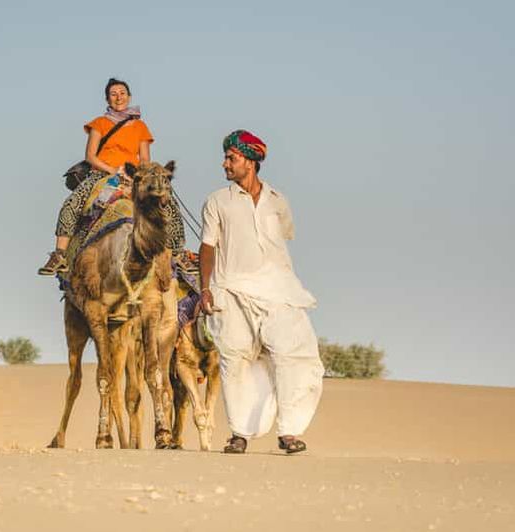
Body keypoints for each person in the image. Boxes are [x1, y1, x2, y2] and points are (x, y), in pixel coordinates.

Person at [198, 130, 324, 454]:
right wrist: (205, 288)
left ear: (250, 162)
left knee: (295, 356)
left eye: (232, 158)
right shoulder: (216, 201)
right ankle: (239, 433)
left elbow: (284, 238)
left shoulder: (278, 200)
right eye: (226, 157)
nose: (225, 163)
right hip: (231, 289)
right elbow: (207, 247)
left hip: (279, 290)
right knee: (235, 359)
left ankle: (289, 432)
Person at [38, 78, 185, 275]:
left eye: (122, 93)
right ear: (107, 99)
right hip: (101, 173)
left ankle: (178, 254)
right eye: (114, 94)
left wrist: (137, 176)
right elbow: (90, 156)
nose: (118, 97)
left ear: (129, 96)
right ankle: (59, 254)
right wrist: (113, 171)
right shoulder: (100, 123)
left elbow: (145, 159)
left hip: (133, 177)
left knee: (168, 204)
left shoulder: (140, 126)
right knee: (72, 203)